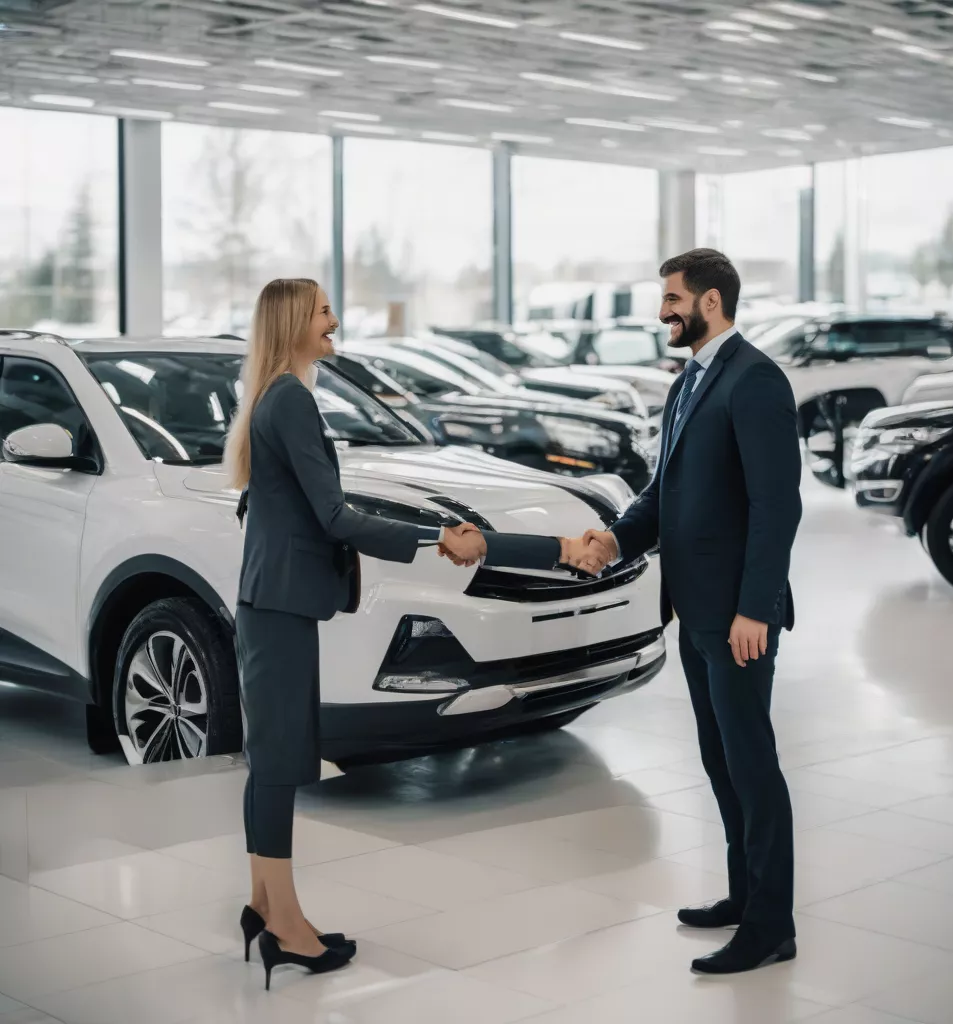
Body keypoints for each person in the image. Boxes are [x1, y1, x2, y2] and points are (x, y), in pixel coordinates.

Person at [226, 278, 600, 989]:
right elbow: (335, 517)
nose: (335, 320)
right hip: (275, 607)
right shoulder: (291, 399)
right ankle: (285, 924)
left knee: (271, 757)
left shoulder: (274, 396)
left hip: (271, 602)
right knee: (278, 763)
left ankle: (265, 905)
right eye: (324, 311)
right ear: (295, 321)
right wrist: (443, 537)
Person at [581, 249, 803, 975]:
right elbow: (665, 494)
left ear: (710, 302)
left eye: (672, 299)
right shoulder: (689, 383)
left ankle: (771, 925)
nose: (662, 313)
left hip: (737, 618)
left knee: (752, 765)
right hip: (696, 611)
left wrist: (756, 609)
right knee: (720, 761)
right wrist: (615, 538)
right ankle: (746, 897)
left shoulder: (756, 380)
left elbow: (778, 507)